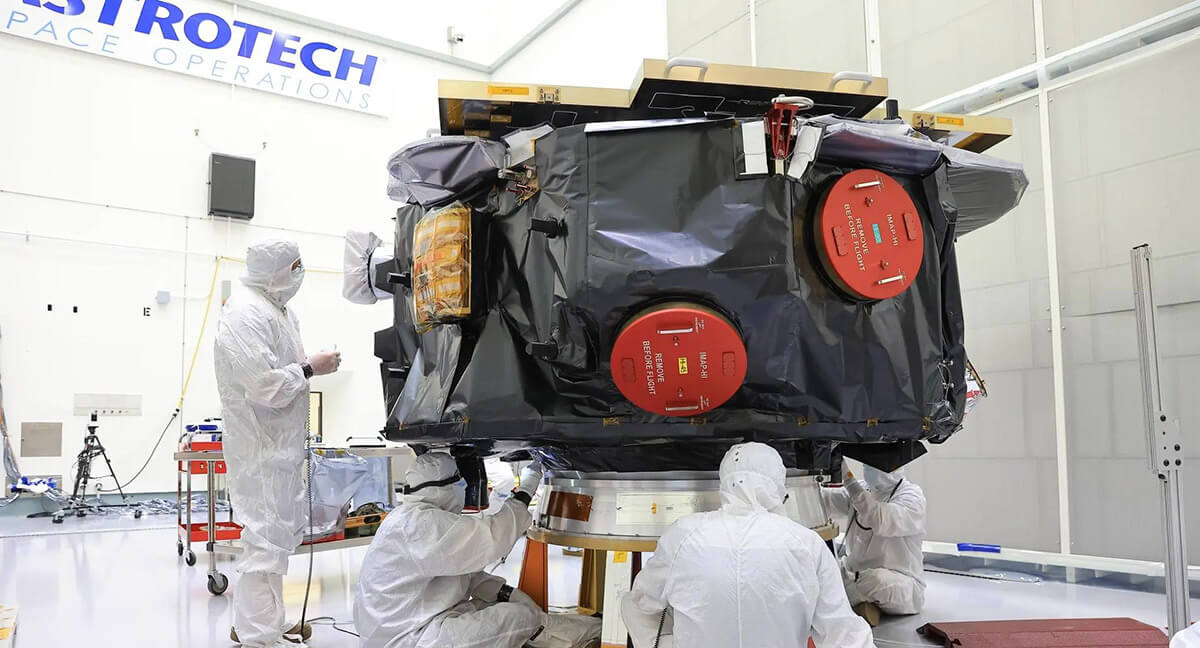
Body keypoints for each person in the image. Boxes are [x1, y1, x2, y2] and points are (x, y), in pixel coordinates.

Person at [621, 442, 875, 648]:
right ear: (778, 488)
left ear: (724, 483)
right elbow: (843, 635)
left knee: (630, 603)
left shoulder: (683, 534)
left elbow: (642, 601)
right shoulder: (807, 544)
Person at [214, 240, 342, 648]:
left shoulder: (279, 311)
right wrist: (311, 368)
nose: (300, 273)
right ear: (275, 269)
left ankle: (265, 624)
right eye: (295, 266)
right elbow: (264, 387)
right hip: (259, 449)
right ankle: (256, 637)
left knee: (277, 540)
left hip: (280, 449)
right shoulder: (244, 312)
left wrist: (308, 368)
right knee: (264, 543)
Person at [353, 452, 601, 648]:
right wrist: (526, 488)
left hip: (410, 622)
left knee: (502, 609)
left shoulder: (407, 517)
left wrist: (505, 592)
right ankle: (590, 634)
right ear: (443, 488)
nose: (463, 486)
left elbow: (464, 573)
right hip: (411, 638)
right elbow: (494, 534)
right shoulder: (422, 525)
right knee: (518, 618)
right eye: (458, 480)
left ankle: (583, 632)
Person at [822, 465, 927, 625]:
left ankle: (842, 601)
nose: (869, 468)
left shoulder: (912, 496)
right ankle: (861, 603)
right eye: (866, 464)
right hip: (855, 574)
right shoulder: (863, 488)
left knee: (875, 580)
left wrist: (848, 478)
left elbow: (880, 519)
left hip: (899, 583)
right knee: (823, 573)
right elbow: (825, 501)